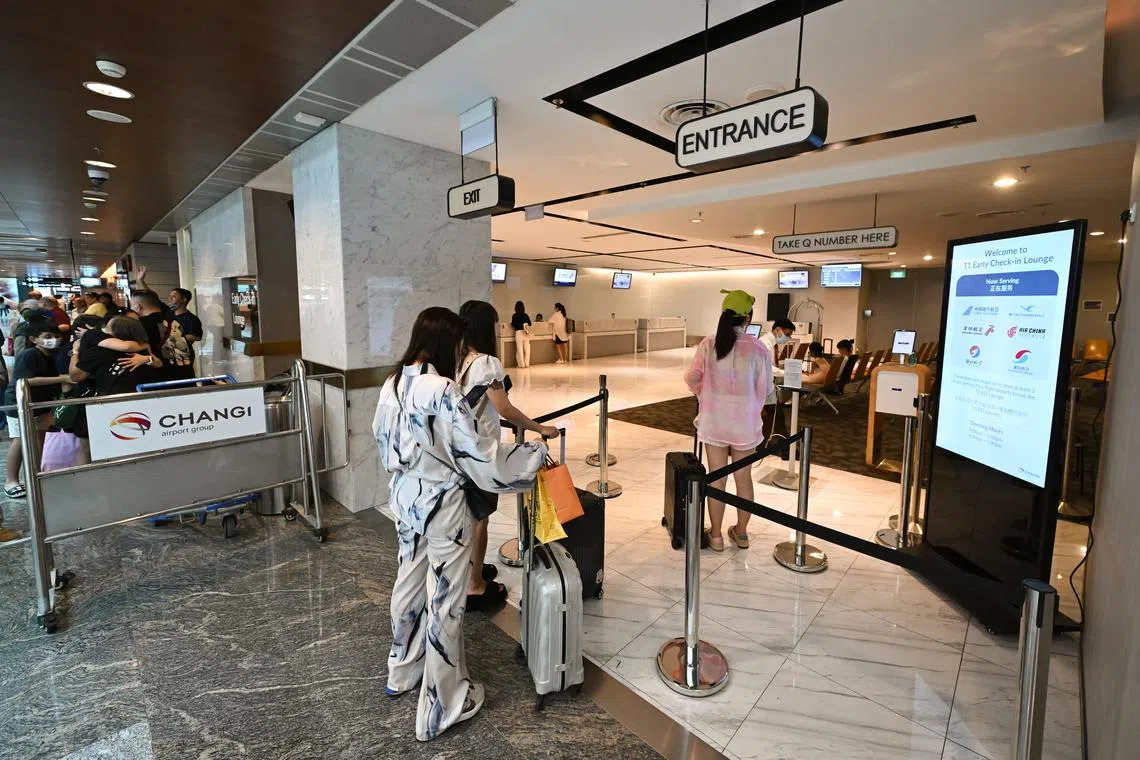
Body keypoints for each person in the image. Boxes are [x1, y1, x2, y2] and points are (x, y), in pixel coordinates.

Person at [373, 306, 547, 742]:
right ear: (446, 343)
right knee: (445, 601)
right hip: (443, 506)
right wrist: (533, 455)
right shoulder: (442, 388)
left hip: (405, 498)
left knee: (408, 585)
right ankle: (441, 705)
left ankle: (402, 670)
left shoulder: (392, 384)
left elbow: (382, 440)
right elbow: (480, 455)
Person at [456, 300, 559, 610]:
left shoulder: (458, 361)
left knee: (466, 515)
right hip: (480, 453)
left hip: (458, 450)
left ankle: (468, 571)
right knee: (480, 520)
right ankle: (475, 586)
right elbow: (505, 408)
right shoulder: (487, 363)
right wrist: (540, 427)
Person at [684, 290, 774, 552]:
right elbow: (766, 389)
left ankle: (716, 537)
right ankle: (742, 533)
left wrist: (703, 392)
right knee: (743, 480)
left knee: (716, 480)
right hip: (745, 425)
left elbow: (691, 378)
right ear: (747, 318)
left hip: (714, 422)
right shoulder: (758, 348)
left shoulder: (709, 344)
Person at [4, 326, 70, 499]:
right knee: (21, 440)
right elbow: (25, 380)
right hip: (19, 403)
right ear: (34, 339)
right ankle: (11, 480)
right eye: (48, 336)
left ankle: (37, 474)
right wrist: (61, 379)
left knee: (40, 438)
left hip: (42, 404)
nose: (54, 340)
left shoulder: (55, 353)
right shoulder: (30, 354)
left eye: (57, 336)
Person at [166, 287, 202, 379]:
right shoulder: (168, 313)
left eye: (174, 296)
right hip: (167, 355)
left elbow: (197, 336)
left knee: (184, 380)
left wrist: (176, 338)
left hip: (183, 356)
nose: (170, 298)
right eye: (170, 296)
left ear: (184, 299)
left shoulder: (191, 319)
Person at [511, 301, 532, 368]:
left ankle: (521, 364)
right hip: (526, 333)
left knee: (519, 348)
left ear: (516, 308)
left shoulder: (514, 315)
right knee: (527, 348)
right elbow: (530, 323)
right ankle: (527, 364)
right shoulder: (525, 315)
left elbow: (513, 324)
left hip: (518, 332)